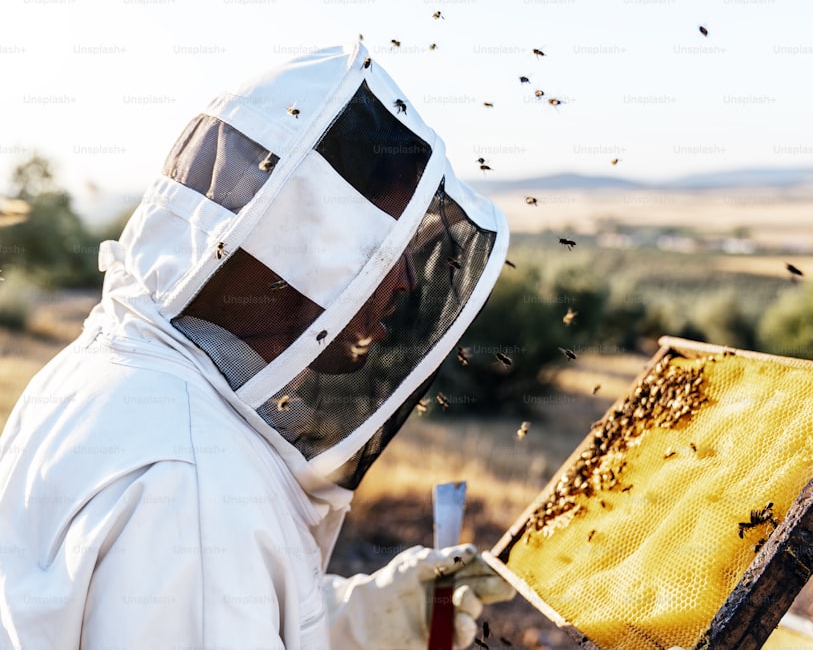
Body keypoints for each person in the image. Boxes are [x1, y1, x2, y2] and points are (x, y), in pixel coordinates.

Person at [0, 43, 514, 649]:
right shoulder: (195, 486)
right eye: (391, 249)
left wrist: (368, 620)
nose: (405, 282)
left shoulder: (115, 372)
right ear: (315, 246)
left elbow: (209, 611)